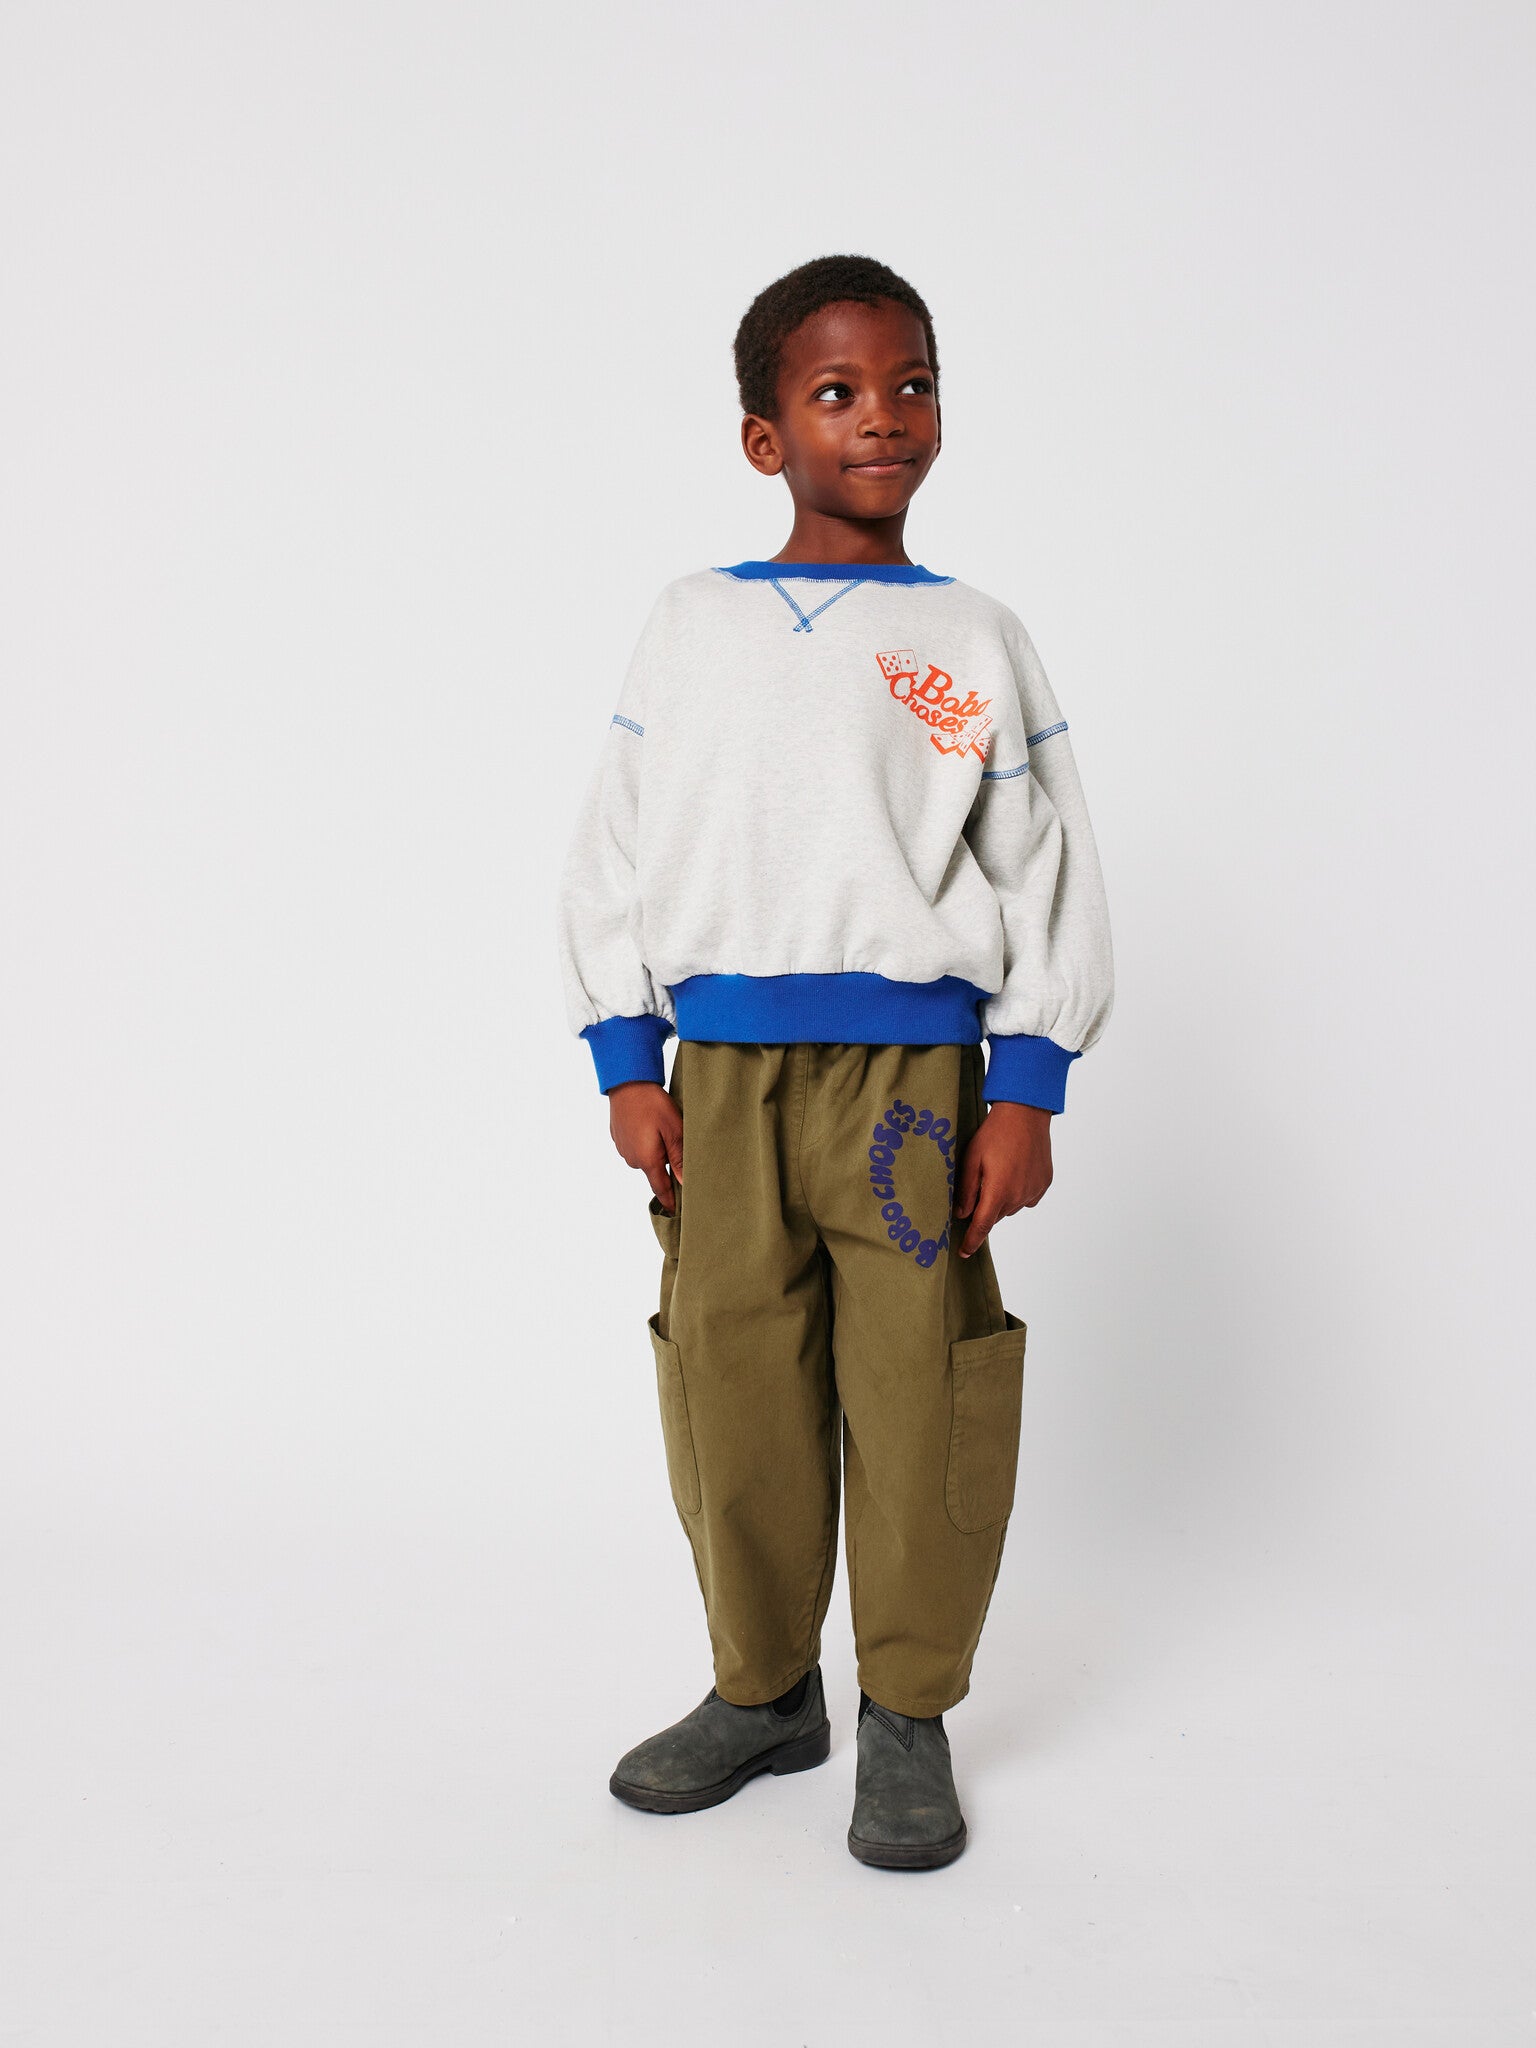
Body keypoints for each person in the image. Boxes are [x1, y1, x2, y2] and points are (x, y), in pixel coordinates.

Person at [556, 253, 1114, 1870]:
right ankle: (763, 1689)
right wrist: (627, 1054)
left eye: (913, 384)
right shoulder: (692, 624)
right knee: (733, 1380)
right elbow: (617, 846)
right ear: (765, 437)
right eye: (838, 392)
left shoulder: (973, 637)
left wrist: (1027, 1083)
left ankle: (908, 1714)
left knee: (921, 1390)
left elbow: (1046, 863)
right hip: (724, 1088)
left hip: (911, 1100)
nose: (885, 417)